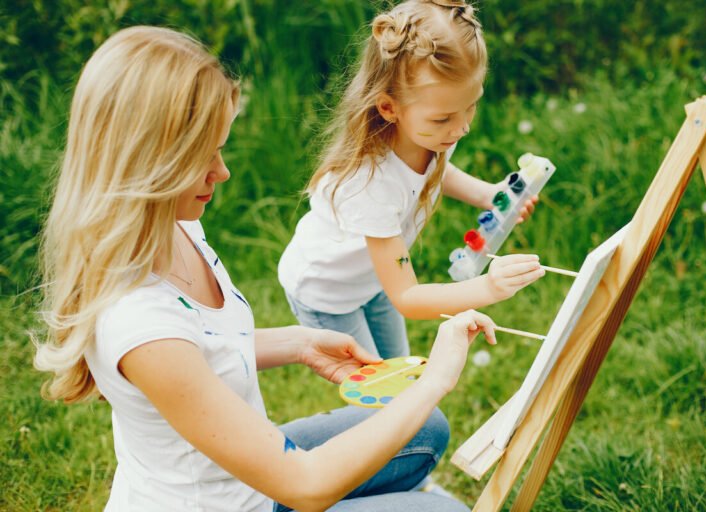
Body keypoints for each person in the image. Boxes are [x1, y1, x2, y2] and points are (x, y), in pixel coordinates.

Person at [33, 25, 501, 512]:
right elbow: (305, 484)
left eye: (220, 148)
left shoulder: (173, 226)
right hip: (249, 500)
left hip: (251, 481)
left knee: (425, 430)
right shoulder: (140, 322)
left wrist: (299, 344)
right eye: (202, 157)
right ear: (147, 164)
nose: (222, 171)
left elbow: (203, 352)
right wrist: (435, 380)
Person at [278, 0, 545, 360]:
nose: (462, 127)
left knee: (401, 368)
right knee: (378, 392)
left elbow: (437, 171)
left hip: (374, 280)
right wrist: (489, 287)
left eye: (471, 106)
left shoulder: (428, 137)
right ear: (389, 107)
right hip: (328, 294)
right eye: (444, 118)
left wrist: (489, 194)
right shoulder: (370, 184)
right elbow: (406, 297)